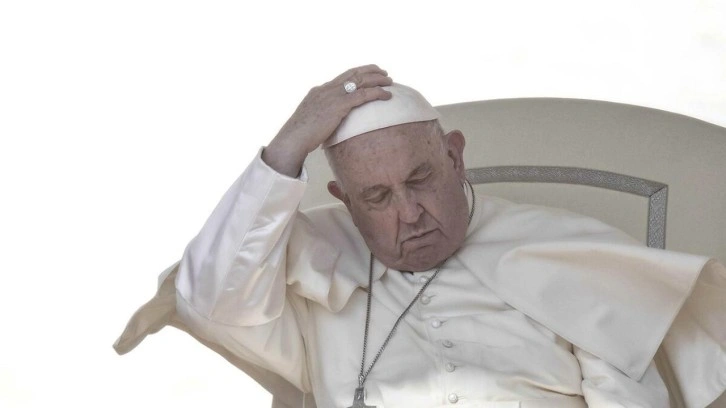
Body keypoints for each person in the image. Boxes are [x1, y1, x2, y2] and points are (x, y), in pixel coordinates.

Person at [115, 65, 726, 407]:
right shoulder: (306, 264)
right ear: (345, 200)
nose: (409, 213)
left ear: (455, 157)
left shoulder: (565, 247)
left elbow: (629, 399)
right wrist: (286, 148)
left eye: (420, 179)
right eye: (378, 198)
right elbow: (207, 298)